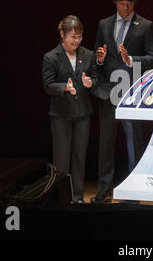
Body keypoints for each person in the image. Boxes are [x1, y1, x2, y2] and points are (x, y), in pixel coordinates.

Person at [91, 0, 153, 203]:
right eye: (121, 4)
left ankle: (134, 189)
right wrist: (98, 60)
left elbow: (152, 58)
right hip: (109, 91)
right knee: (106, 142)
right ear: (115, 3)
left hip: (132, 91)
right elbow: (97, 57)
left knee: (133, 142)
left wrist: (131, 60)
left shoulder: (145, 25)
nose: (126, 8)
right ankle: (103, 190)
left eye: (129, 4)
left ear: (135, 3)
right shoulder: (103, 24)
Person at [42, 15, 98, 204]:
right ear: (62, 34)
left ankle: (78, 197)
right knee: (61, 160)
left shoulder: (87, 55)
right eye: (73, 36)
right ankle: (61, 197)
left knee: (79, 158)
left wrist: (90, 83)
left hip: (83, 114)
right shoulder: (51, 57)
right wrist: (64, 87)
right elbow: (48, 84)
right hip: (61, 115)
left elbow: (95, 79)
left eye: (79, 36)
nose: (76, 40)